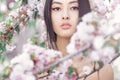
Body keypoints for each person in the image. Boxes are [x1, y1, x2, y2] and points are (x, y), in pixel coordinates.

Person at [43, 0, 114, 80]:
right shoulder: (38, 69)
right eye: (57, 9)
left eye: (74, 8)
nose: (65, 16)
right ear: (48, 14)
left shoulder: (101, 71)